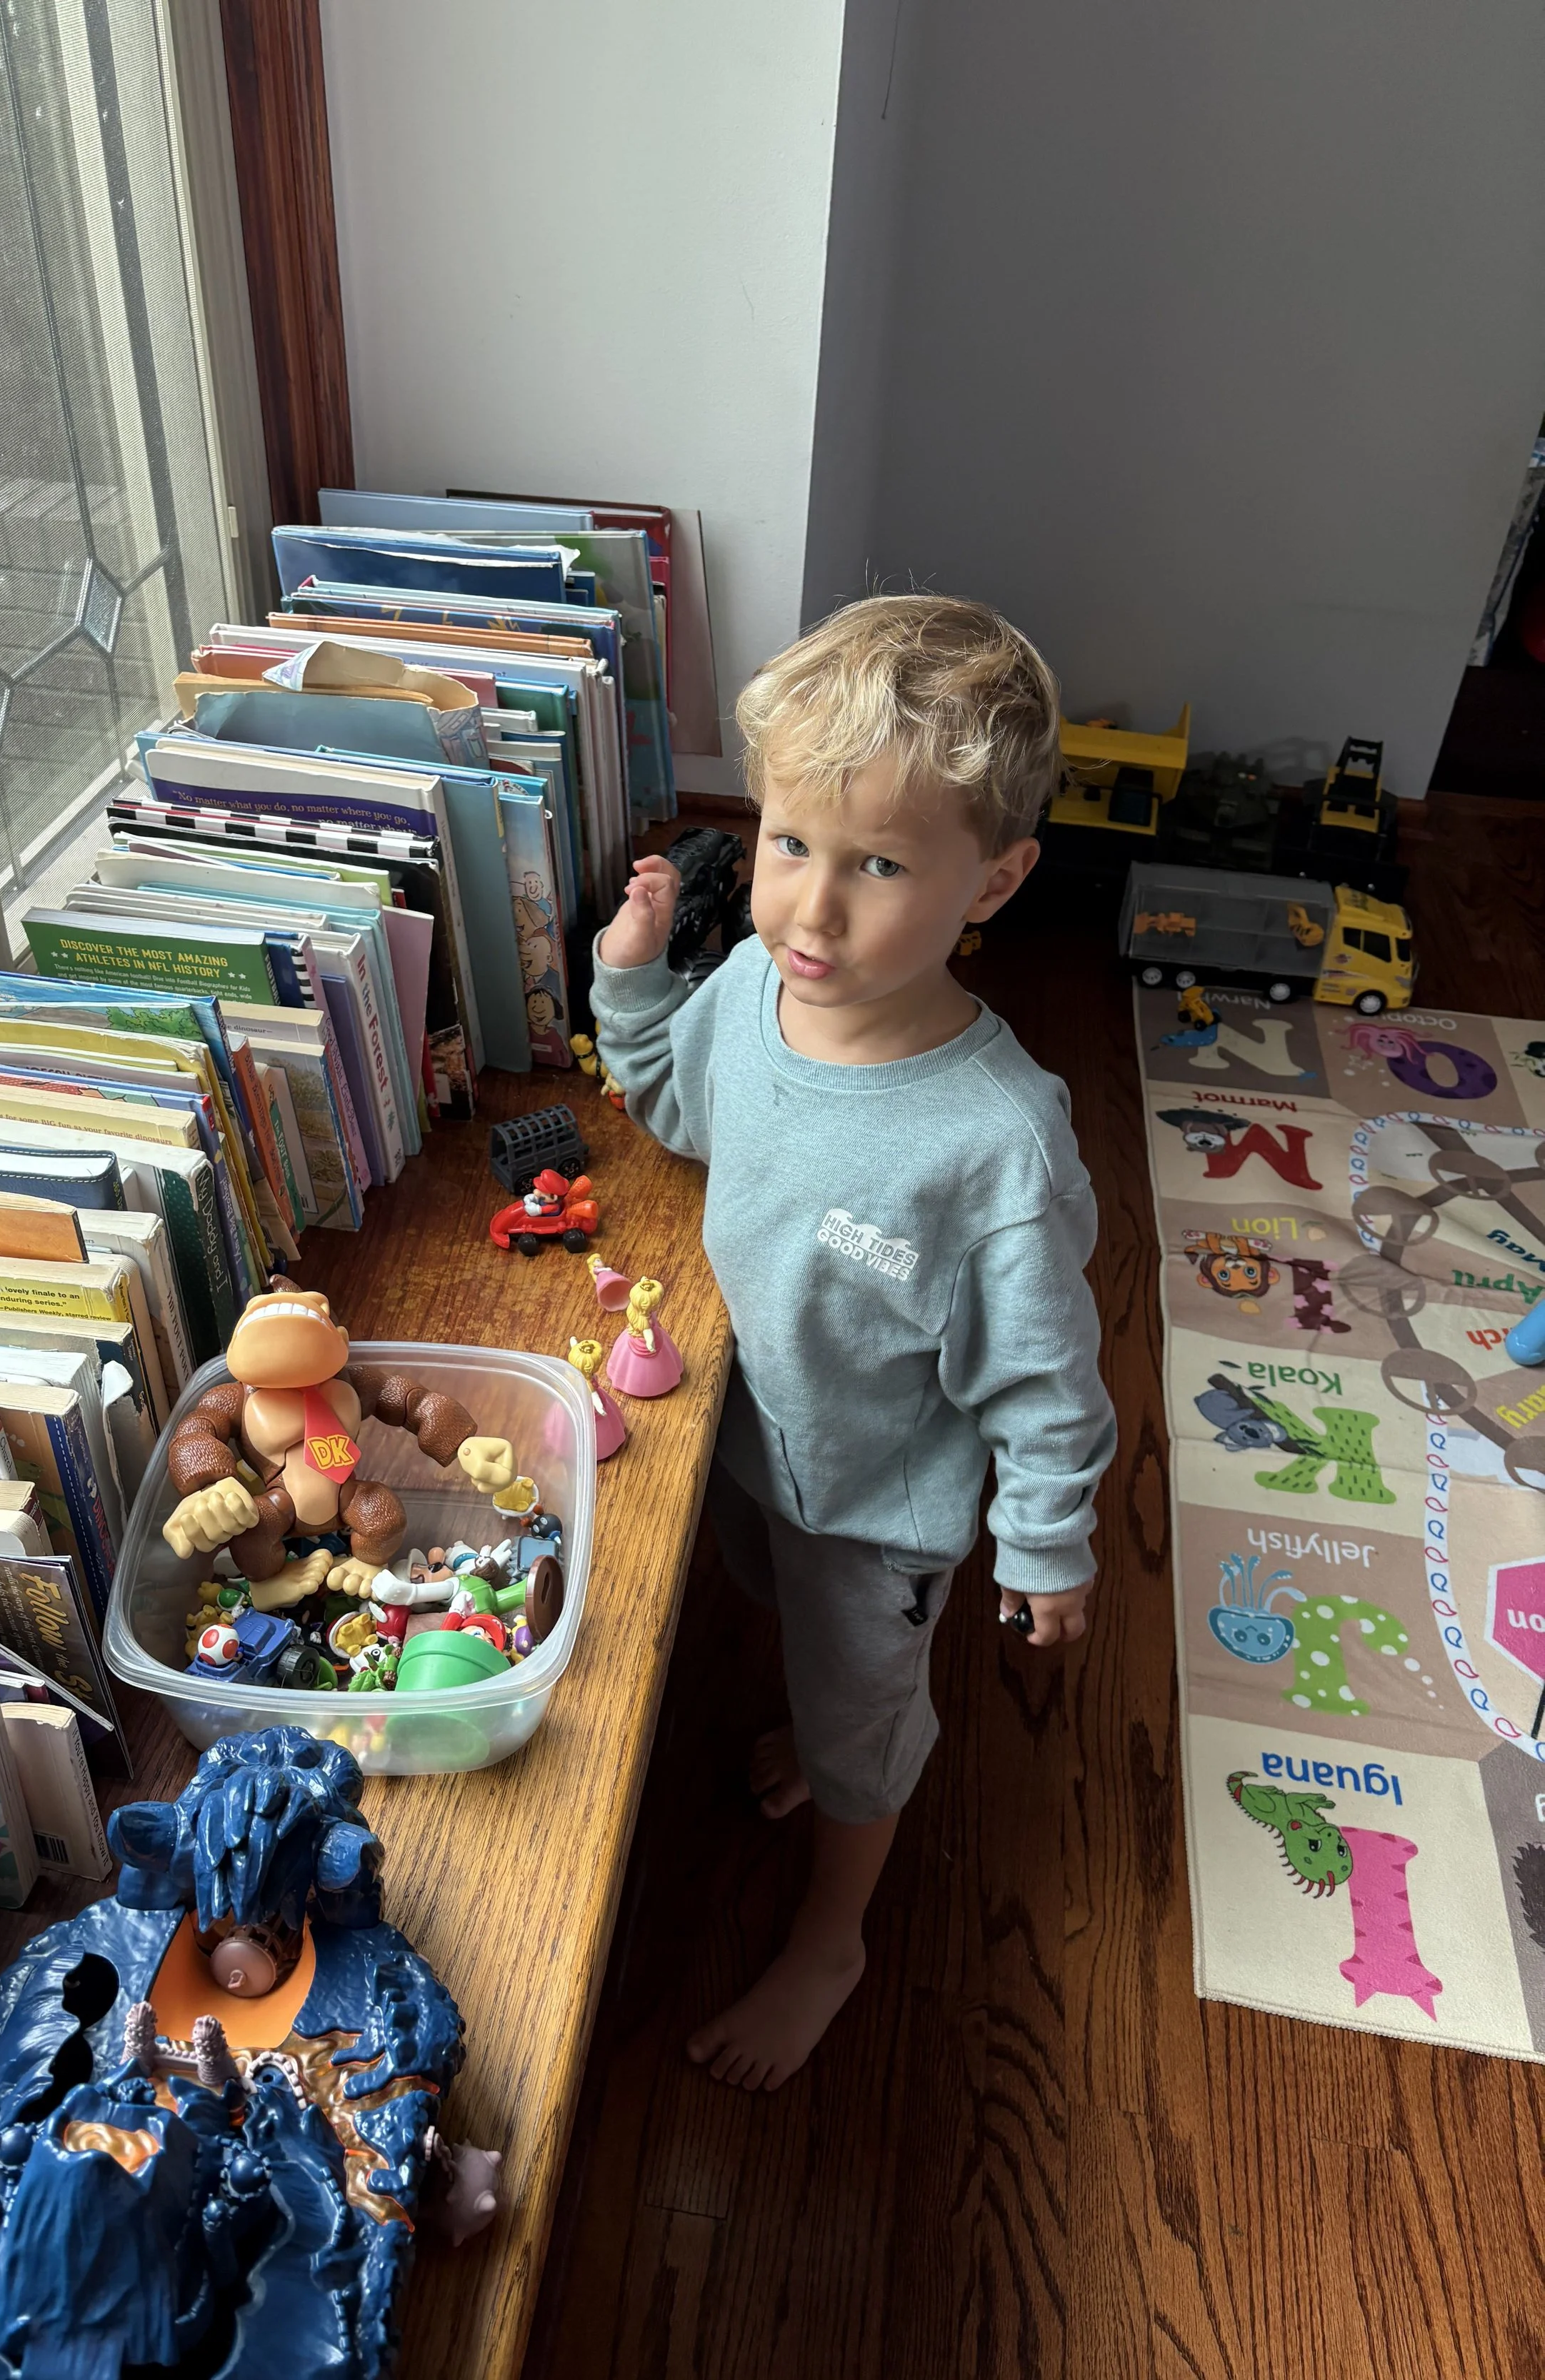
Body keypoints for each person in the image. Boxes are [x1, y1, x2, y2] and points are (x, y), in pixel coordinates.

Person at [591, 593, 1116, 2092]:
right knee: (796, 1639)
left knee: (862, 1715)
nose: (810, 912)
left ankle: (834, 1932)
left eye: (878, 866)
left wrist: (1050, 1545)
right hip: (761, 1442)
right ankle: (821, 1738)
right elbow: (674, 1106)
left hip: (884, 1510)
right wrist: (634, 971)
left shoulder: (995, 1148)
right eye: (787, 846)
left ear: (992, 883)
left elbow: (1046, 1383)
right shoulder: (754, 994)